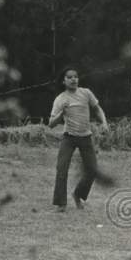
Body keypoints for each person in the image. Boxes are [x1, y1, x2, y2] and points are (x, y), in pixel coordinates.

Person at [49, 66, 109, 212]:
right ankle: (61, 204)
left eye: (75, 76)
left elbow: (97, 109)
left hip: (85, 137)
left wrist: (104, 123)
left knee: (92, 170)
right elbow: (51, 124)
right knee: (61, 169)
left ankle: (78, 194)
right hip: (69, 138)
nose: (73, 79)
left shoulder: (86, 93)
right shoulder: (60, 99)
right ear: (64, 81)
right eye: (69, 77)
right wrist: (61, 112)